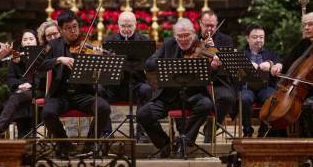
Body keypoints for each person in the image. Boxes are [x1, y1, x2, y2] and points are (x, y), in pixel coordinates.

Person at [137, 18, 215, 158]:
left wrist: (214, 64)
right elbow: (149, 64)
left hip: (193, 95)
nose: (184, 39)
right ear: (174, 36)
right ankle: (165, 144)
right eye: (180, 36)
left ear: (193, 34)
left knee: (206, 104)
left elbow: (213, 75)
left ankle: (184, 141)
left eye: (187, 35)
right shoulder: (168, 45)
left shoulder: (203, 47)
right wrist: (165, 64)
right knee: (143, 114)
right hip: (169, 96)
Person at [39, 10, 111, 156]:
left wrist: (97, 59)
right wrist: (59, 60)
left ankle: (89, 145)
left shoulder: (87, 45)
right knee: (47, 113)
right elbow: (39, 65)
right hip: (60, 95)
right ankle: (65, 145)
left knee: (103, 107)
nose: (73, 31)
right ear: (60, 30)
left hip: (82, 94)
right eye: (68, 28)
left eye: (75, 27)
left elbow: (100, 76)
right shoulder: (53, 46)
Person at [101, 11, 152, 142]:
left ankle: (141, 132)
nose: (126, 29)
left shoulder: (144, 41)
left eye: (129, 26)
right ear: (118, 25)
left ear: (135, 25)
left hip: (136, 84)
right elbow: (105, 71)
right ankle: (106, 132)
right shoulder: (109, 41)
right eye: (123, 26)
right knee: (99, 91)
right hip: (115, 86)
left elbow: (150, 65)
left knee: (146, 89)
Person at [0, 30, 44, 138]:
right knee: (20, 98)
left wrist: (31, 84)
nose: (28, 42)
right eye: (25, 40)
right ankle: (24, 137)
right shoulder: (16, 56)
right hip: (22, 91)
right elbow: (10, 77)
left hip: (38, 89)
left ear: (37, 41)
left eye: (31, 39)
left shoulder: (42, 54)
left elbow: (44, 76)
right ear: (22, 42)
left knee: (17, 98)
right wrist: (19, 85)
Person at [271, 12, 313, 137]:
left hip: (309, 91)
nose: (306, 28)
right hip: (300, 90)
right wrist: (279, 65)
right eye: (304, 25)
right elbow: (287, 60)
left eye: (310, 25)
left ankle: (308, 144)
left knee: (307, 106)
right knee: (275, 105)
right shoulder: (303, 44)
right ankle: (277, 142)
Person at [198, 10, 237, 143]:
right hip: (196, 82)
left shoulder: (226, 40)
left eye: (212, 26)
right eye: (206, 25)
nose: (209, 29)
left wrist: (214, 50)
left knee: (227, 98)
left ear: (217, 25)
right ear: (200, 24)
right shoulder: (191, 39)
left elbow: (228, 68)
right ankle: (186, 136)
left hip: (218, 81)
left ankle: (211, 128)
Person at [242, 24, 282, 137]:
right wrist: (247, 66)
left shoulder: (271, 53)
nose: (258, 40)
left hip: (266, 86)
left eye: (261, 37)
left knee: (271, 97)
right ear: (247, 38)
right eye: (255, 37)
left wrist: (272, 65)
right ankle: (247, 131)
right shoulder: (241, 54)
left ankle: (263, 130)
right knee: (245, 98)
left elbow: (279, 64)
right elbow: (235, 74)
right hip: (247, 87)